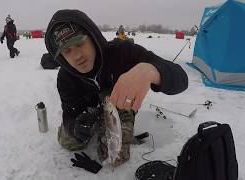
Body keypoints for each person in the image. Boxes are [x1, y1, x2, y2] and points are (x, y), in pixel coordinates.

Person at [44, 9, 188, 167]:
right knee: (69, 142)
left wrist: (150, 71)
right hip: (89, 114)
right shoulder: (66, 78)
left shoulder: (123, 52)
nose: (77, 55)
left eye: (79, 43)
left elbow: (181, 79)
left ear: (92, 37)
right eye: (67, 50)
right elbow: (69, 115)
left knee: (115, 157)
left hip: (119, 107)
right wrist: (75, 127)